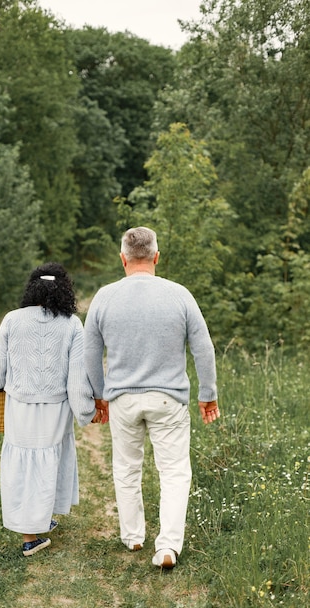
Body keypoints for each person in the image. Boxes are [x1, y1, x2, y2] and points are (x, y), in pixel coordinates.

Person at [84, 227, 219, 569]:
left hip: (123, 400)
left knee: (127, 468)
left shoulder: (104, 297)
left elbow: (89, 352)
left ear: (123, 258)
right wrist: (208, 395)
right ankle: (168, 547)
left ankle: (133, 537)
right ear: (157, 257)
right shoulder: (179, 295)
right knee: (173, 471)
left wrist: (99, 396)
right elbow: (203, 348)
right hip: (168, 399)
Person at [0, 262, 100, 557]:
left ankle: (34, 526)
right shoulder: (72, 324)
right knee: (49, 462)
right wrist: (87, 412)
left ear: (32, 288)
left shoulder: (11, 320)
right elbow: (77, 381)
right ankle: (30, 537)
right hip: (55, 410)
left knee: (22, 464)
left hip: (19, 409)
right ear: (64, 289)